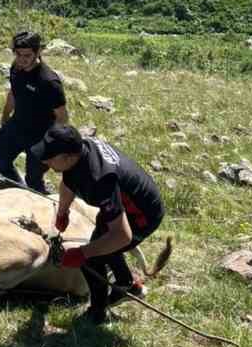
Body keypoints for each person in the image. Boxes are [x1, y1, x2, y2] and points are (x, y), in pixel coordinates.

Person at [30, 124, 165, 326]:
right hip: (121, 207)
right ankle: (128, 285)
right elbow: (68, 181)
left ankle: (98, 312)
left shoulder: (100, 179)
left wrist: (82, 253)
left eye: (50, 157)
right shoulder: (79, 152)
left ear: (68, 156)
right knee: (101, 243)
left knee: (94, 257)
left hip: (142, 215)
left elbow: (122, 236)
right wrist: (62, 211)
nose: (45, 160)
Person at [0, 30, 68, 195]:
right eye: (18, 54)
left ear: (38, 52)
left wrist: (54, 143)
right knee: (0, 162)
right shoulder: (15, 68)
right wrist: (5, 119)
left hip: (41, 136)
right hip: (17, 125)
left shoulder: (49, 81)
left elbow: (62, 117)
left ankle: (39, 203)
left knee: (33, 178)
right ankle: (19, 193)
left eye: (27, 55)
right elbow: (13, 94)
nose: (21, 59)